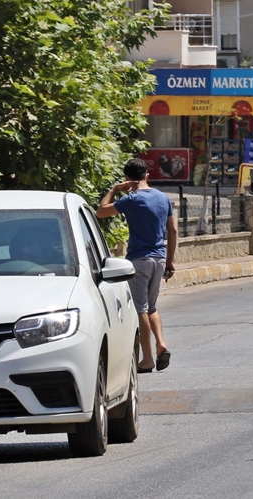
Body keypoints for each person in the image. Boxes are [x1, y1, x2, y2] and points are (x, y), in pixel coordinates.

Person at [97, 158, 178, 374]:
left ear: (127, 179)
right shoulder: (163, 198)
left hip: (139, 261)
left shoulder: (131, 199)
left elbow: (101, 211)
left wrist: (115, 189)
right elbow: (173, 230)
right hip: (159, 259)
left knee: (140, 308)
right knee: (151, 307)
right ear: (147, 176)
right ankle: (161, 343)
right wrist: (170, 261)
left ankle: (148, 359)